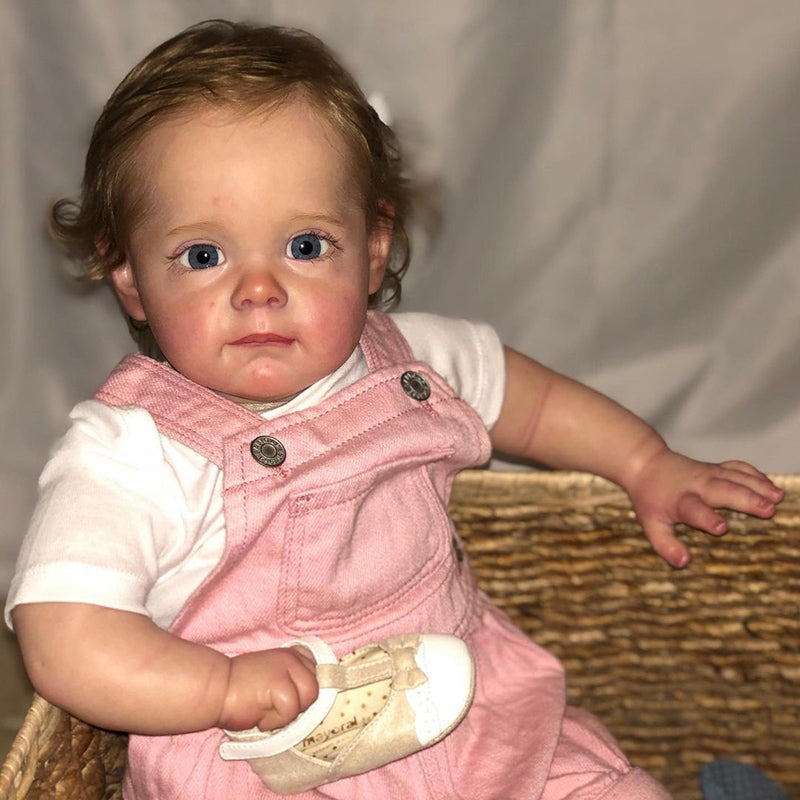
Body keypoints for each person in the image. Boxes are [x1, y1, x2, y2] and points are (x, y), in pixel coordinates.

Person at [6, 19, 783, 800]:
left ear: (373, 248)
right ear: (131, 278)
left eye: (305, 246)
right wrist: (219, 686)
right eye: (204, 256)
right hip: (277, 757)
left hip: (478, 718)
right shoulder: (133, 450)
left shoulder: (411, 362)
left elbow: (535, 403)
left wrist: (644, 462)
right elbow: (63, 634)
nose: (259, 290)